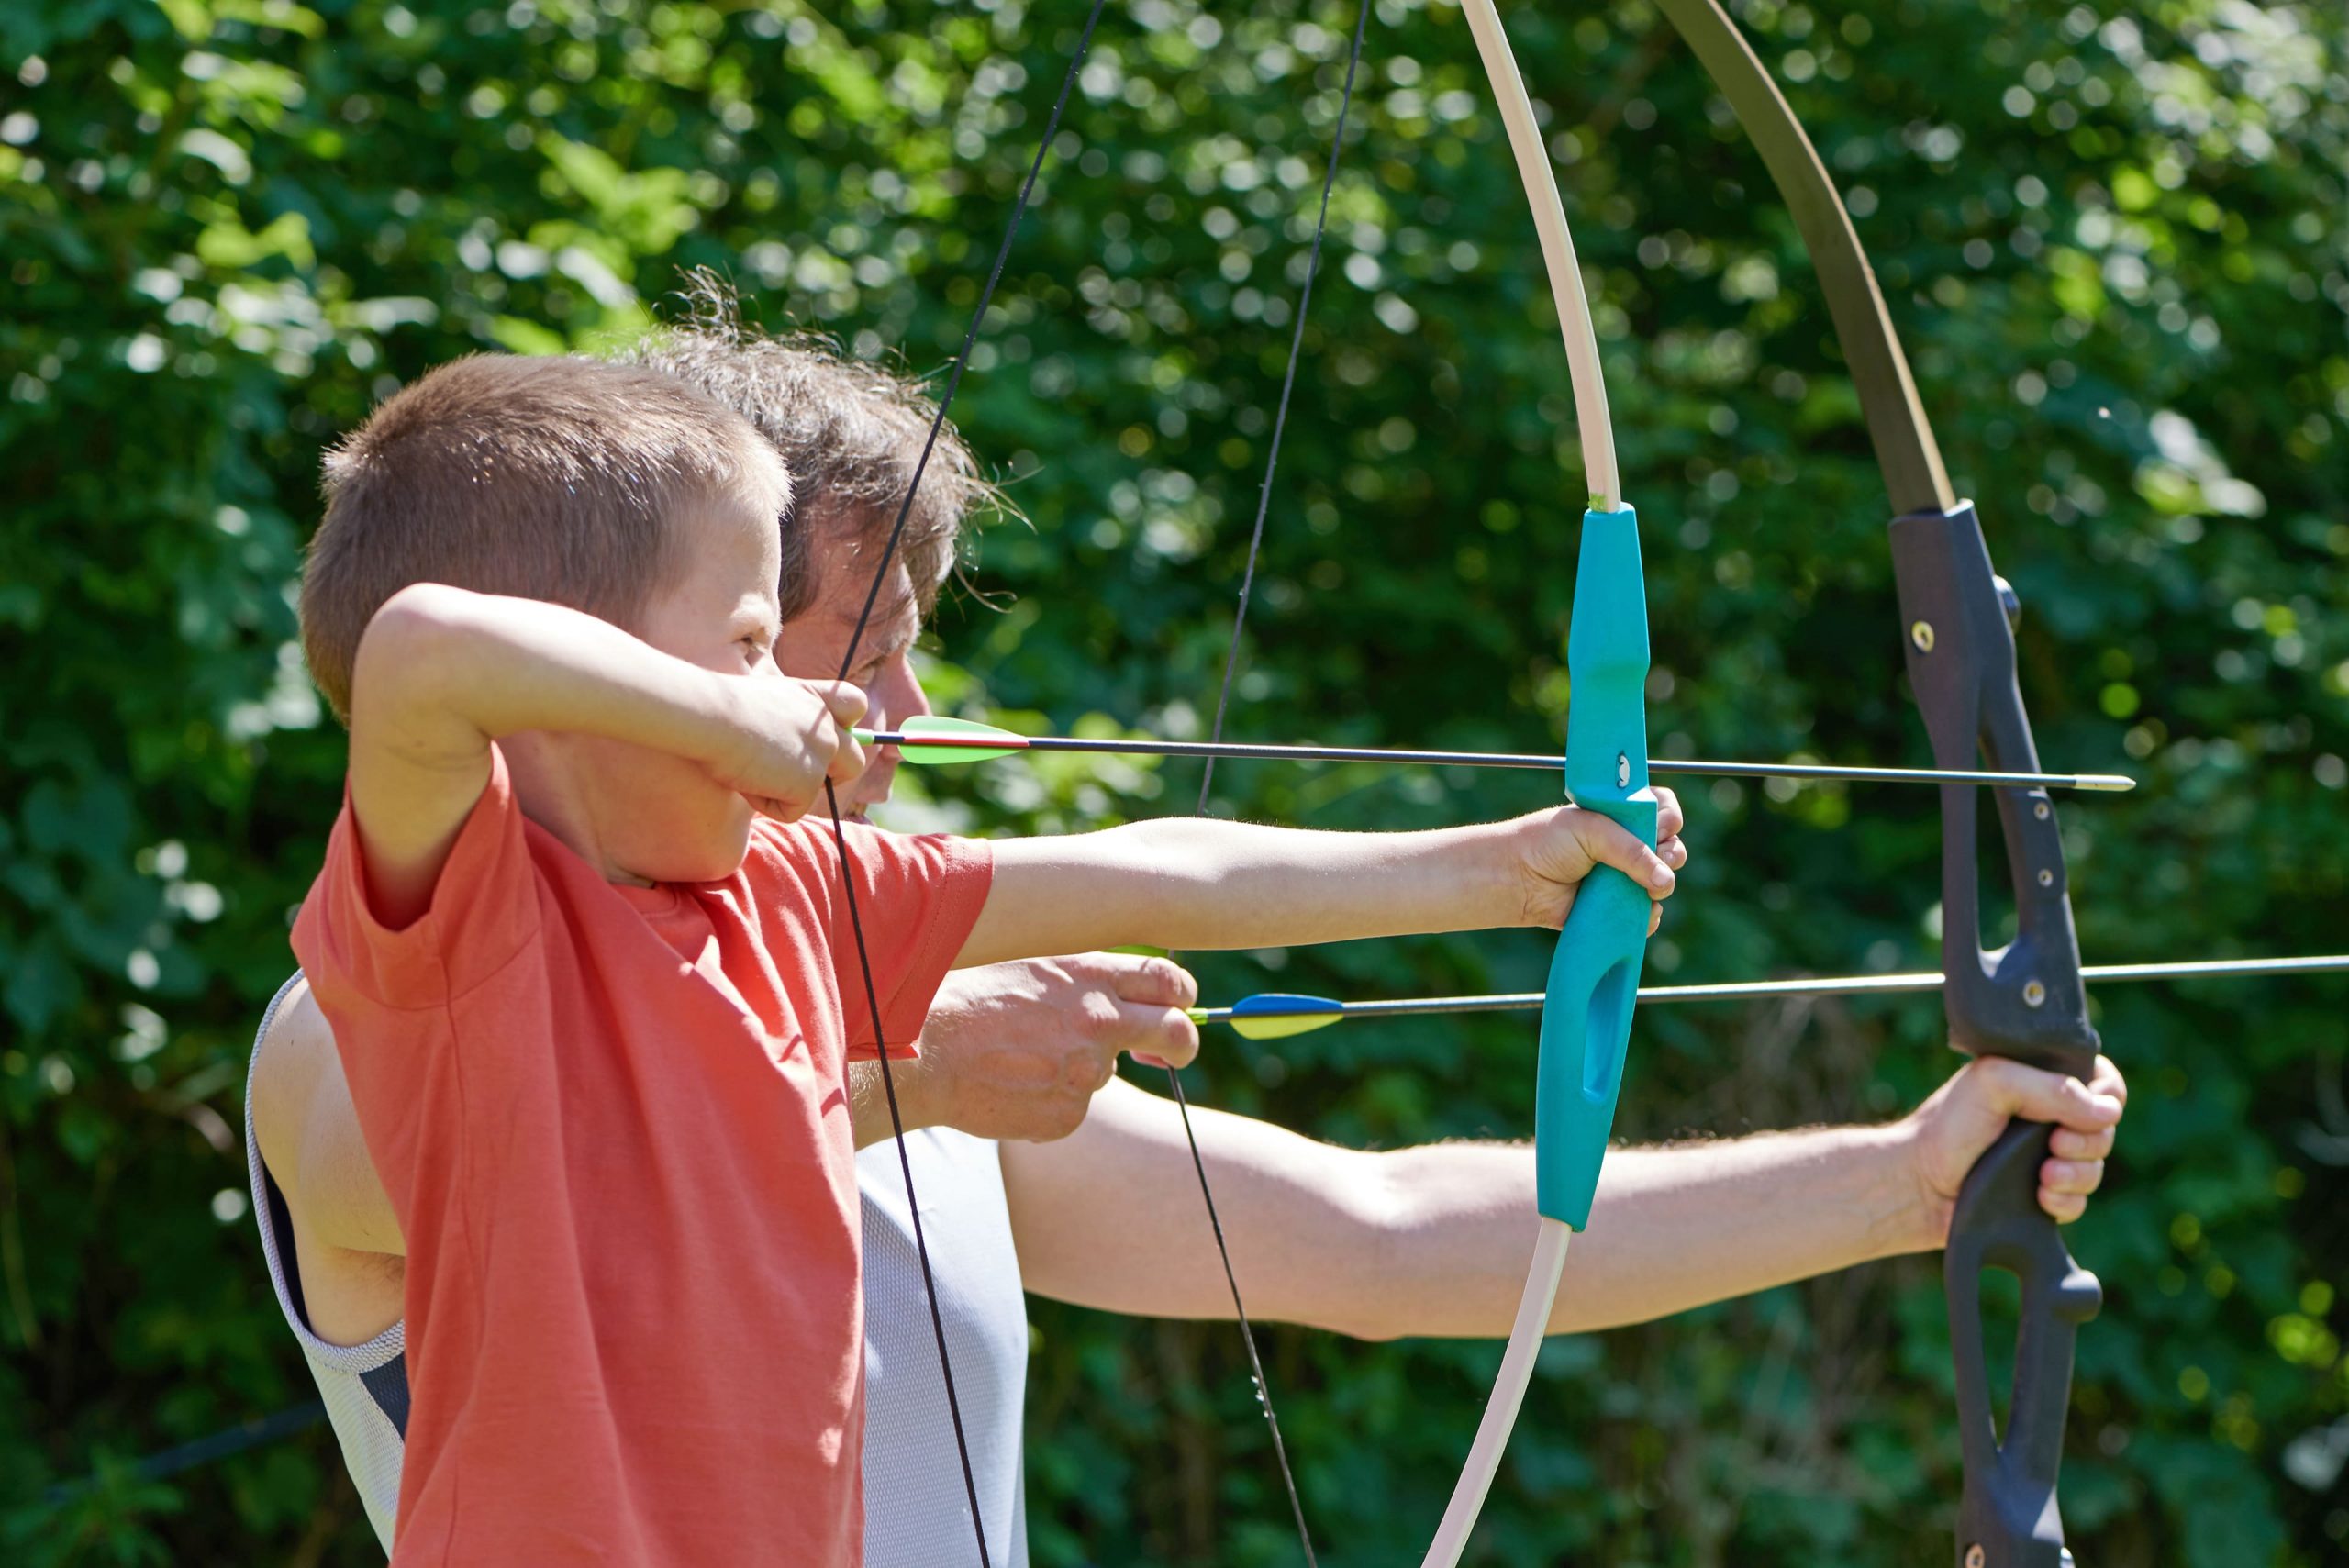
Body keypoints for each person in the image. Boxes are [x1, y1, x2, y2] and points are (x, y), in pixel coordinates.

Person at [251, 317, 2122, 1564]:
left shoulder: (823, 939)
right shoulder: (390, 994)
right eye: (810, 643)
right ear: (592, 660)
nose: (904, 711)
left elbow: (1378, 1232)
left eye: (914, 641)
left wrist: (1904, 1180)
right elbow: (480, 1163)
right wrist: (895, 1087)